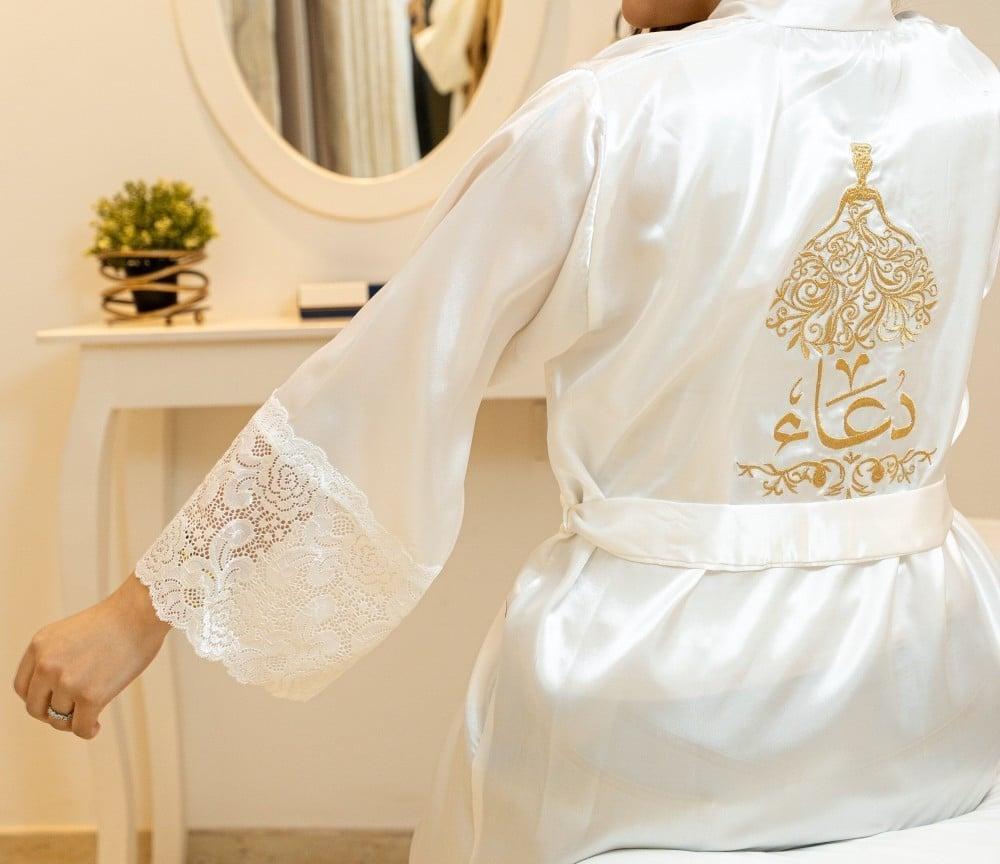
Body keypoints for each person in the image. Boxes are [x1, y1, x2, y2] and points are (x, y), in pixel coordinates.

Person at [14, 1, 1000, 861]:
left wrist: (135, 613)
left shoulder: (613, 113)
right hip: (928, 670)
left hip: (661, 682)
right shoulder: (967, 91)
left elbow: (383, 382)